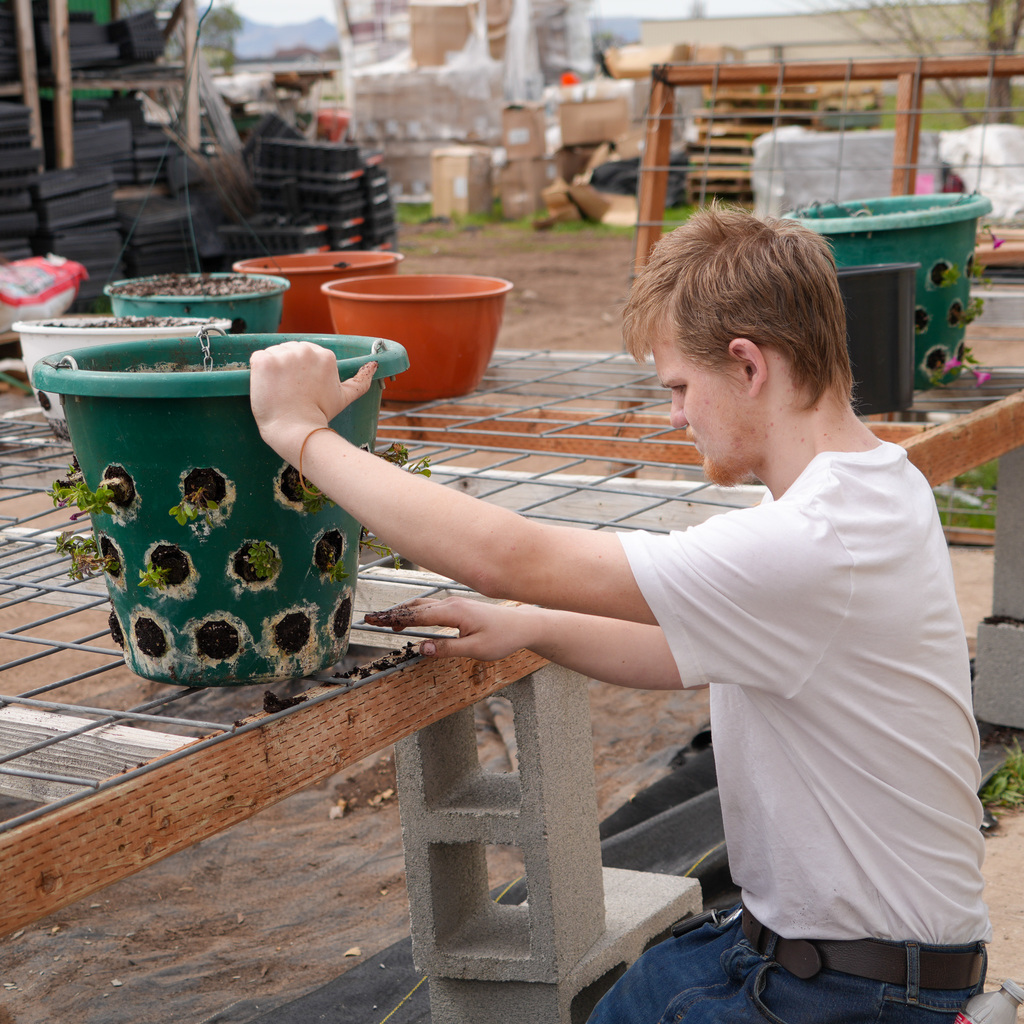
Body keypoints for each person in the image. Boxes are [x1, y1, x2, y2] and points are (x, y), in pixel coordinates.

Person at [249, 204, 991, 1023]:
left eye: (680, 386)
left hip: (855, 992)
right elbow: (681, 652)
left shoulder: (813, 541)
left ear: (747, 366)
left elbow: (507, 554)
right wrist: (536, 627)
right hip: (846, 954)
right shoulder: (879, 482)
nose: (676, 416)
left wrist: (301, 433)